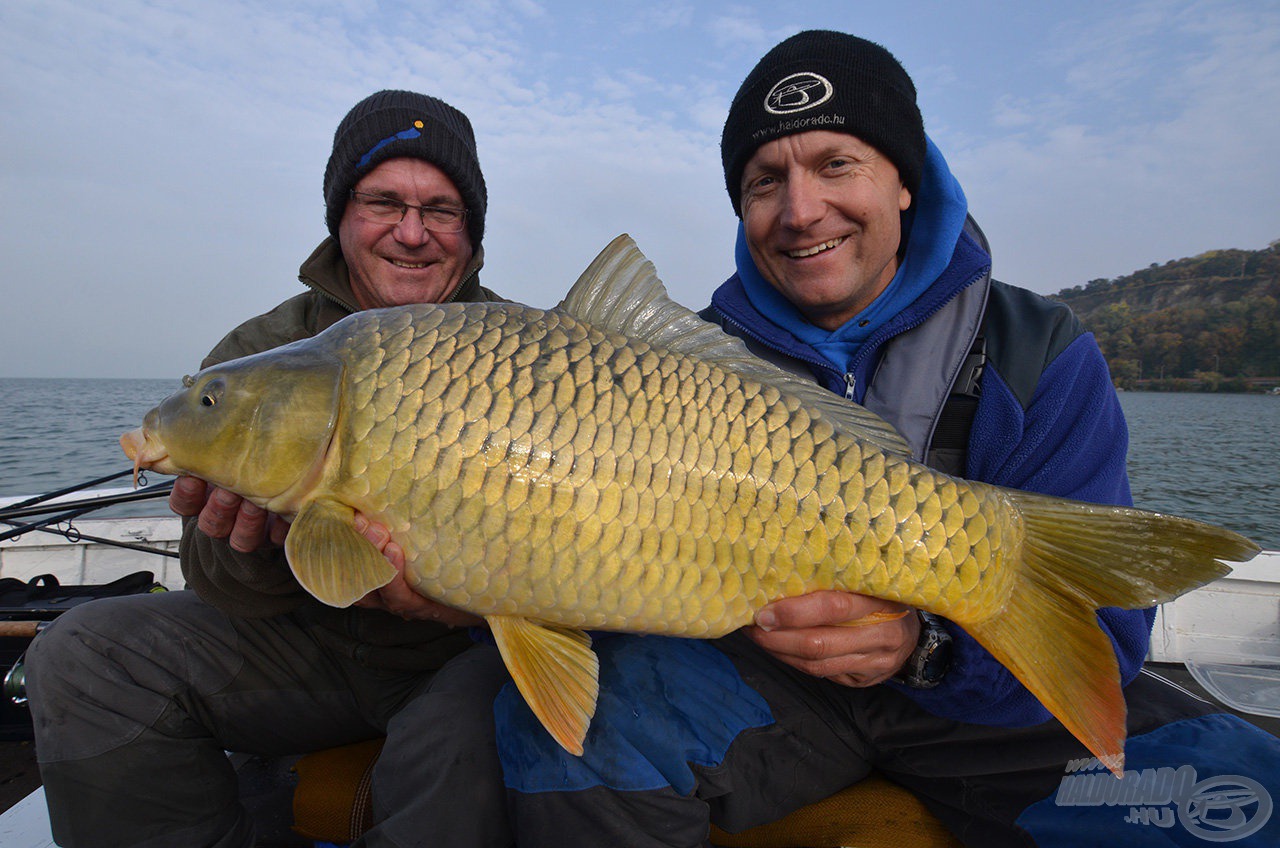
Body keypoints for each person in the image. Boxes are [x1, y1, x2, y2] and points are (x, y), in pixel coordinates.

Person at [409, 30, 1280, 847]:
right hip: (759, 678)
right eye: (763, 181)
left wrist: (922, 648)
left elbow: (1112, 631)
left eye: (836, 164)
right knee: (569, 753)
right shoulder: (679, 360)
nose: (801, 208)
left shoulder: (1035, 347)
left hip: (976, 696)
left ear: (903, 178)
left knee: (1245, 796)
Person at [25, 89, 509, 848]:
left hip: (460, 653)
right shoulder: (260, 355)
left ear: (470, 232)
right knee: (81, 656)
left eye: (441, 210)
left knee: (458, 752)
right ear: (340, 218)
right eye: (383, 201)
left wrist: (446, 604)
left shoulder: (523, 353)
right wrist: (247, 549)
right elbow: (217, 584)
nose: (412, 233)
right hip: (306, 645)